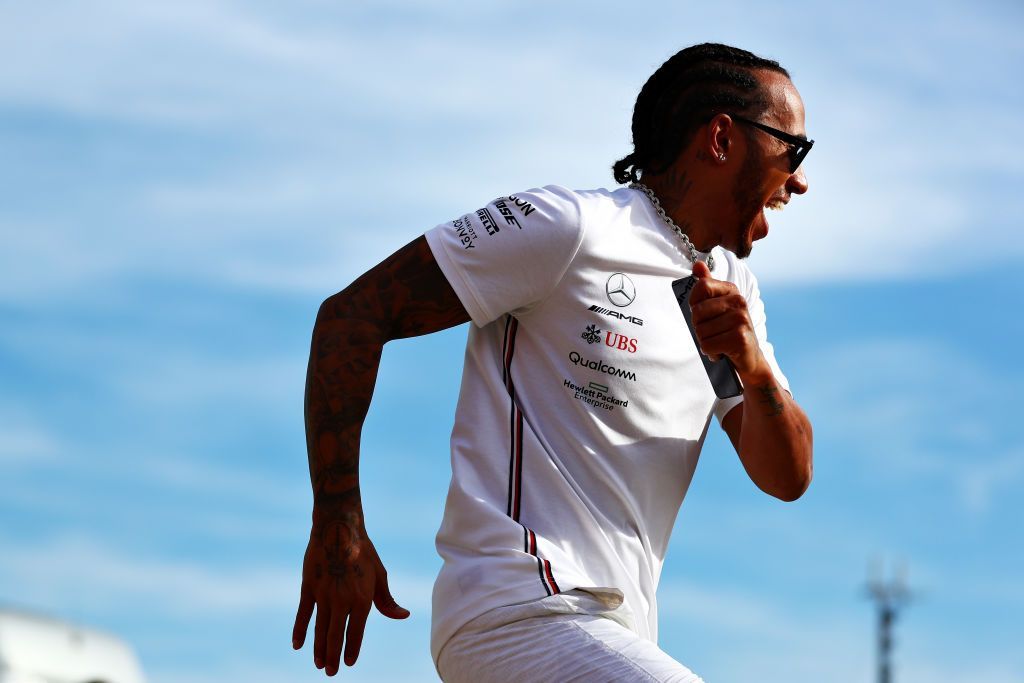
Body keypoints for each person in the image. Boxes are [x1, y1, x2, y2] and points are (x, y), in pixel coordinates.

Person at [292, 42, 815, 681]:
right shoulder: (570, 228)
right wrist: (337, 519)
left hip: (614, 633)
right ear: (721, 138)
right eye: (794, 148)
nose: (800, 178)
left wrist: (753, 365)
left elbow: (787, 477)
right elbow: (352, 315)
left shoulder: (734, 291)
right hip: (517, 613)